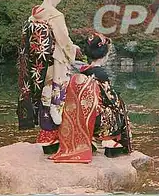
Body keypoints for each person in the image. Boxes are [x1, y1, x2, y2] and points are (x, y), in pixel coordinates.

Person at [17, 0, 80, 154]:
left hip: (38, 65)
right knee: (55, 100)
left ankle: (45, 140)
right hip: (55, 63)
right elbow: (63, 40)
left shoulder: (34, 13)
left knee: (44, 97)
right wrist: (73, 52)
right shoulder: (55, 15)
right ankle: (57, 139)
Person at [48, 33, 132, 163]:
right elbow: (111, 100)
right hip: (96, 120)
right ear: (105, 55)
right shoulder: (101, 74)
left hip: (78, 118)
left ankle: (91, 140)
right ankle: (109, 142)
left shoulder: (80, 70)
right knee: (118, 106)